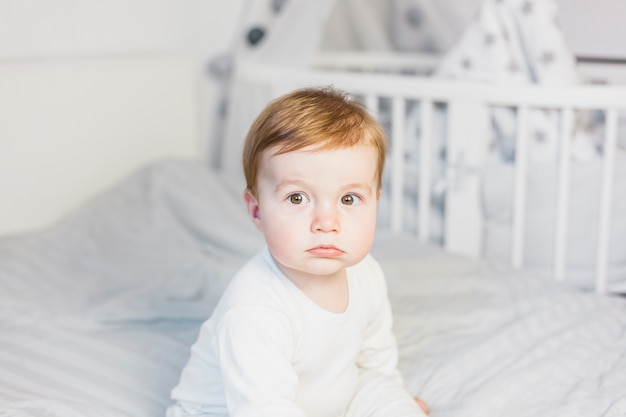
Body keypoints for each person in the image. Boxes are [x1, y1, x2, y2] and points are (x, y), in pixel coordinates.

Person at [167, 87, 428, 417]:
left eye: (349, 199)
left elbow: (376, 365)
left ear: (376, 200)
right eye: (297, 198)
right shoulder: (255, 309)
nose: (326, 223)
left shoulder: (366, 273)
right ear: (257, 210)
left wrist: (393, 403)